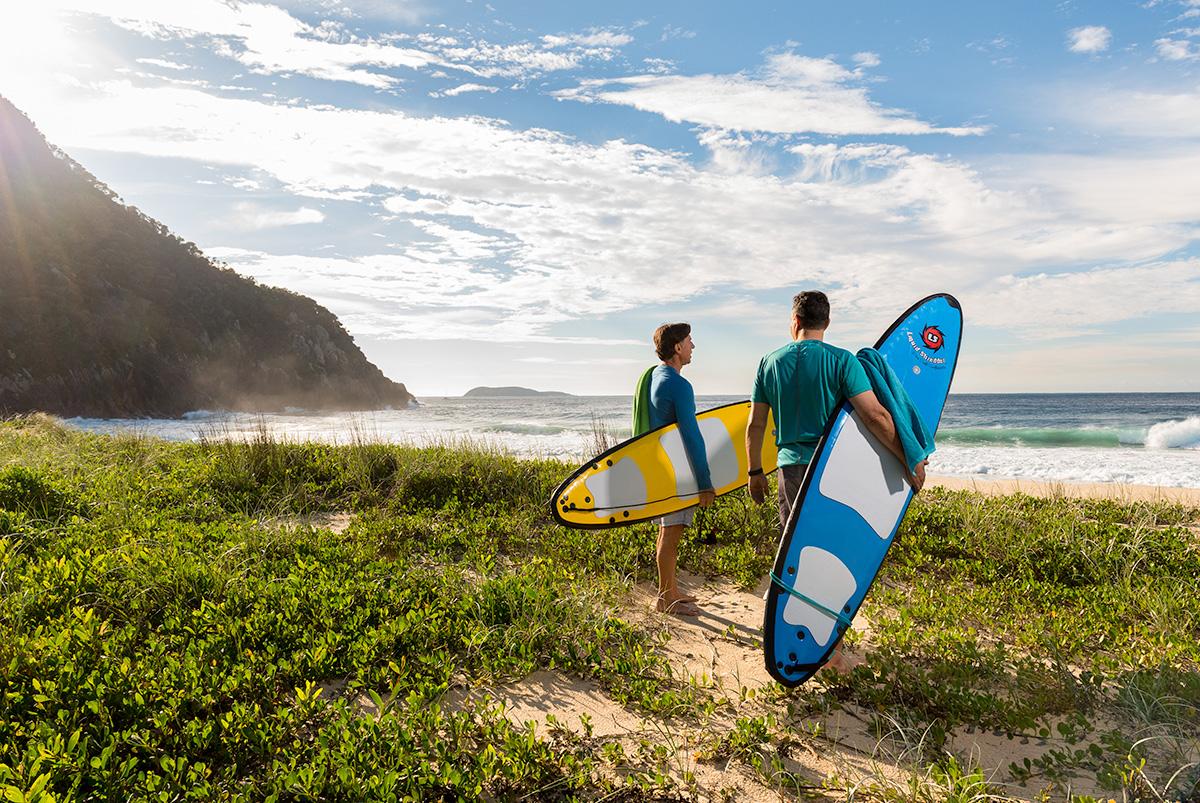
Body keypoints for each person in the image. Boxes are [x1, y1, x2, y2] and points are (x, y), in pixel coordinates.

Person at [745, 291, 926, 671]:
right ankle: (830, 652)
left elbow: (755, 425)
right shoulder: (842, 361)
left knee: (796, 555)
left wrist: (754, 473)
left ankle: (801, 641)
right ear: (826, 323)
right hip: (832, 472)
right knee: (834, 553)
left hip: (789, 470)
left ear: (794, 321)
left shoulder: (769, 362)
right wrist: (908, 458)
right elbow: (875, 417)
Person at [645, 322, 715, 617]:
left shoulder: (654, 377)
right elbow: (692, 435)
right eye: (689, 341)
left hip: (662, 467)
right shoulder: (678, 384)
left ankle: (670, 590)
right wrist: (704, 482)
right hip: (677, 471)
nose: (692, 346)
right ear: (677, 347)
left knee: (667, 532)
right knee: (671, 534)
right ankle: (666, 598)